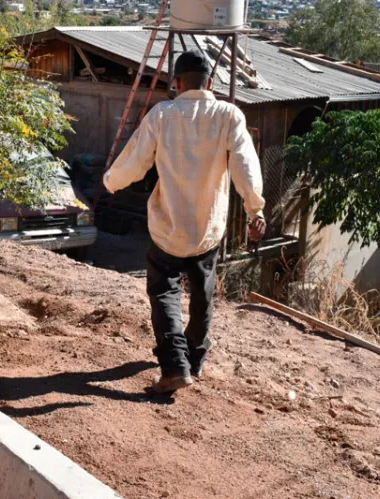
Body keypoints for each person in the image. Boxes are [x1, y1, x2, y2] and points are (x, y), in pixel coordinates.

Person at [104, 50, 266, 393]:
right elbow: (245, 167)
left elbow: (134, 161)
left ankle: (175, 366)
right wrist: (256, 210)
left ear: (176, 84)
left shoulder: (162, 115)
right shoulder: (228, 115)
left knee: (164, 292)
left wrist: (110, 183)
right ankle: (194, 360)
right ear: (209, 83)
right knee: (202, 296)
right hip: (208, 229)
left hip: (167, 228)